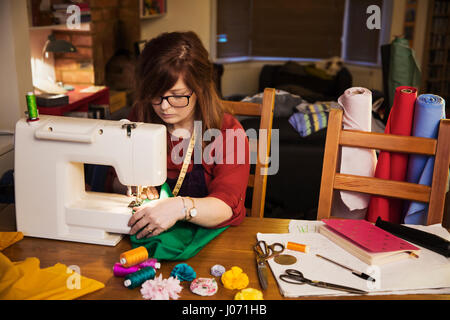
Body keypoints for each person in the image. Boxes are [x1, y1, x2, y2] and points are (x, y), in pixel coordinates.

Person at [111, 31, 250, 239]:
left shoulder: (227, 133)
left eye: (177, 96)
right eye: (156, 94)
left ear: (200, 88)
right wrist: (129, 184)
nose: (164, 107)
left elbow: (226, 205)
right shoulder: (140, 116)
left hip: (210, 244)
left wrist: (179, 207)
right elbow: (111, 179)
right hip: (147, 238)